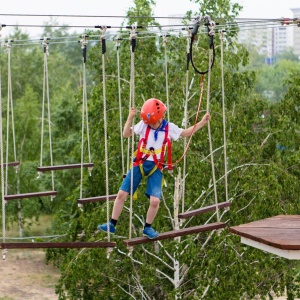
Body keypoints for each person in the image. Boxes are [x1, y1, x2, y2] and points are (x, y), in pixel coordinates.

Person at [98, 98, 210, 239]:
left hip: (156, 166)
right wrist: (130, 118)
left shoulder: (169, 128)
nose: (149, 124)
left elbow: (186, 133)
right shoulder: (144, 125)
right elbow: (126, 134)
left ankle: (148, 227)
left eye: (152, 122)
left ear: (160, 117)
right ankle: (112, 224)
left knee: (155, 201)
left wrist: (202, 122)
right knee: (121, 194)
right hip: (140, 163)